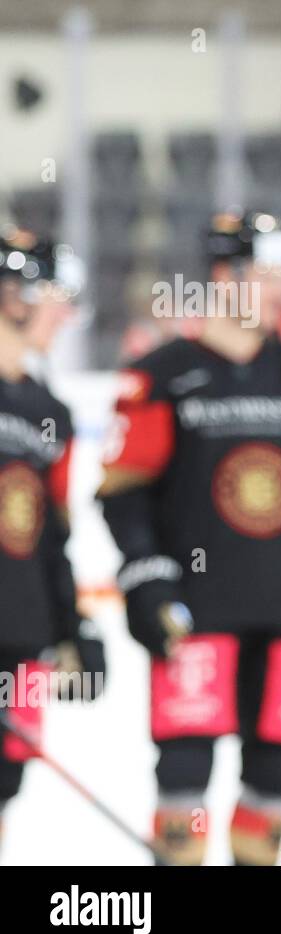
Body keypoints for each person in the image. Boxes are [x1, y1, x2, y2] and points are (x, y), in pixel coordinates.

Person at [98, 212, 281, 865]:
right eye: (266, 274)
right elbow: (122, 491)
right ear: (225, 277)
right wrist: (146, 574)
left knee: (273, 773)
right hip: (194, 612)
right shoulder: (163, 373)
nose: (280, 288)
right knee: (184, 775)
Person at [0, 229, 104, 852]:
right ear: (12, 295)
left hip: (24, 634)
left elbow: (51, 533)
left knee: (7, 781)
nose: (65, 314)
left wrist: (72, 627)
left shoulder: (50, 412)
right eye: (54, 297)